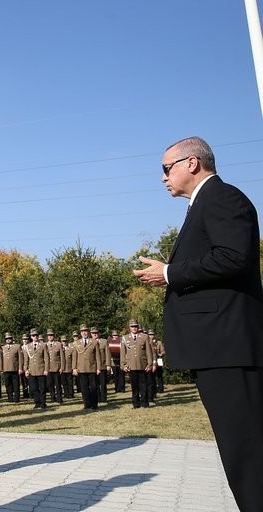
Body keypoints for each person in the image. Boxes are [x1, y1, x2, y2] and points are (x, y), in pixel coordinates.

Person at [134, 136, 263, 512]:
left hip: (229, 346)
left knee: (246, 451)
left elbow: (233, 257)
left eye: (165, 168)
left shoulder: (222, 197)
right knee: (241, 448)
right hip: (219, 347)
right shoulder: (201, 205)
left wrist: (170, 272)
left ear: (191, 163)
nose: (162, 178)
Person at [120, 320, 154, 409]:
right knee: (134, 386)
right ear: (129, 328)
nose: (134, 328)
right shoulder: (125, 338)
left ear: (138, 327)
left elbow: (149, 352)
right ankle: (136, 404)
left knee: (143, 385)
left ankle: (145, 403)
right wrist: (123, 365)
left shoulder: (144, 337)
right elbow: (123, 353)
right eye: (132, 326)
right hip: (131, 365)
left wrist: (150, 364)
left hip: (142, 365)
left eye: (135, 326)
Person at [72, 324, 101, 410]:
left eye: (85, 331)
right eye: (82, 331)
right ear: (80, 333)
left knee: (94, 387)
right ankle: (87, 404)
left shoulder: (94, 342)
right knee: (84, 388)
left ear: (88, 332)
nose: (84, 333)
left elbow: (97, 356)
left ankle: (94, 404)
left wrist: (98, 368)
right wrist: (74, 368)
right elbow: (74, 357)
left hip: (92, 368)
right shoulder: (76, 343)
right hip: (81, 369)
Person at [23, 328, 49, 409]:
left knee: (42, 388)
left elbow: (46, 358)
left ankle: (43, 403)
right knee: (34, 388)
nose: (35, 337)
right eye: (33, 335)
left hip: (41, 370)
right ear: (31, 337)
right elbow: (26, 359)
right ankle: (37, 402)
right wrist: (26, 370)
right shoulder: (28, 346)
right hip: (32, 371)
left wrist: (46, 369)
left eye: (36, 335)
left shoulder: (43, 345)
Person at [91, 327, 112, 403]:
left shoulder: (104, 341)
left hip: (103, 366)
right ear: (91, 334)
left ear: (98, 333)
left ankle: (104, 398)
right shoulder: (89, 342)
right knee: (94, 384)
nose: (95, 334)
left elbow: (107, 353)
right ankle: (97, 398)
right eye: (93, 333)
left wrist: (108, 364)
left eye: (96, 333)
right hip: (93, 366)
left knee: (103, 384)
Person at [1, 332, 23, 402]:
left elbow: (20, 358)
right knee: (8, 385)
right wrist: (1, 369)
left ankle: (17, 398)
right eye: (7, 339)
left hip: (14, 369)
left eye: (9, 338)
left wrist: (20, 368)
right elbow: (1, 359)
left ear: (12, 339)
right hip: (6, 369)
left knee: (16, 384)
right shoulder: (3, 347)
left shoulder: (17, 346)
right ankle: (10, 398)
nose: (8, 340)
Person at [45, 328, 64, 404]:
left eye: (51, 335)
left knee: (58, 384)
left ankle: (59, 398)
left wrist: (62, 367)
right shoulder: (44, 345)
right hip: (48, 368)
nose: (50, 337)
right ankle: (53, 398)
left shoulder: (59, 344)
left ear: (54, 336)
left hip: (57, 368)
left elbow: (62, 357)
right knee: (50, 384)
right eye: (49, 335)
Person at [148, 329, 166, 395]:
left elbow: (163, 351)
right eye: (150, 334)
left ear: (154, 335)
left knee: (159, 375)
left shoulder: (159, 343)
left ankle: (160, 388)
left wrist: (160, 354)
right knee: (152, 376)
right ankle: (153, 389)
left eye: (152, 334)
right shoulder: (147, 343)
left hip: (158, 360)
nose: (151, 336)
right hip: (151, 361)